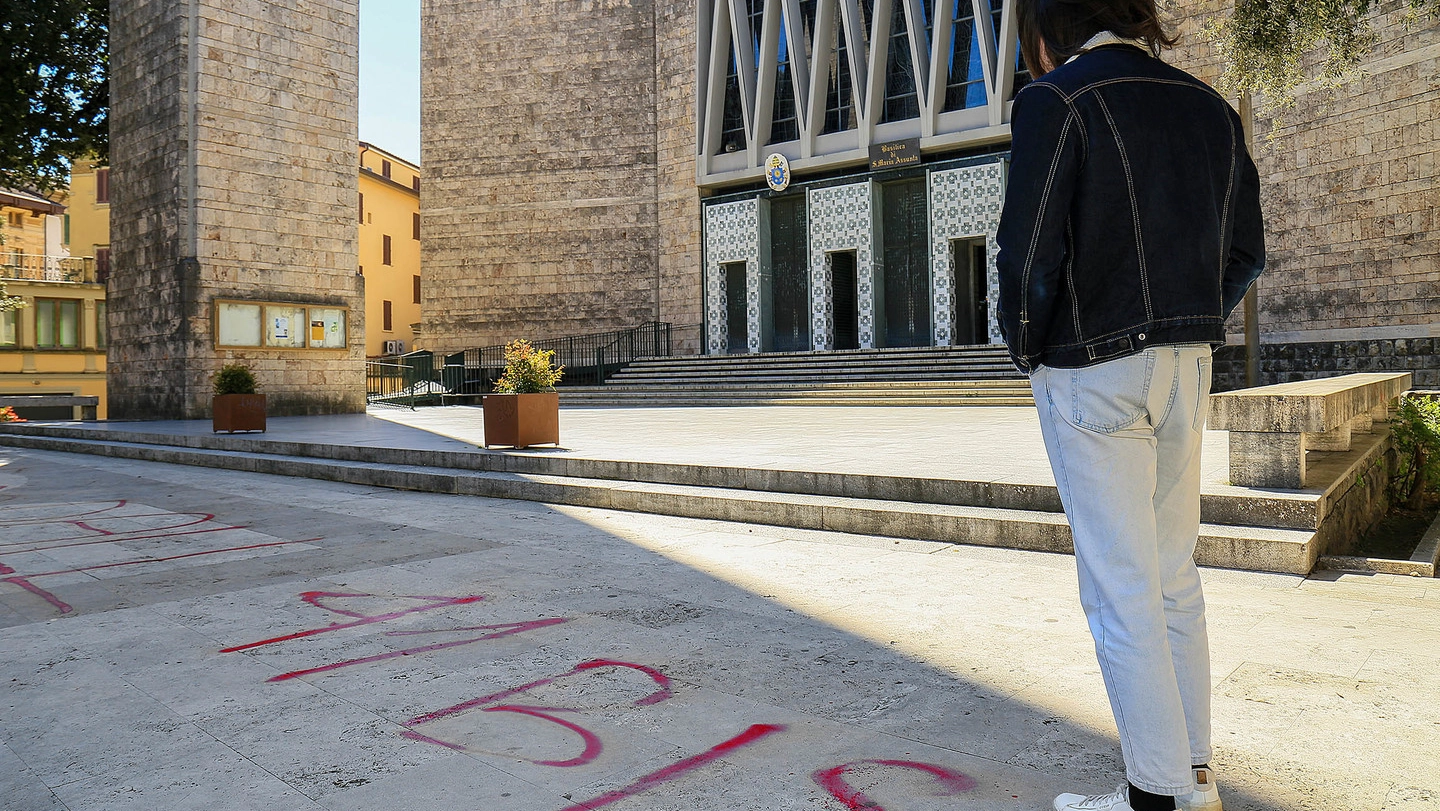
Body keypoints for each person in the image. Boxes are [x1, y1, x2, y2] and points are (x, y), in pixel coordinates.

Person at [994, 1, 1265, 810]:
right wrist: (1186, 320)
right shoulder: (1208, 106)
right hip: (1187, 361)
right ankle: (1194, 779)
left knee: (1120, 590)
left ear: (1046, 29)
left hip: (1091, 366)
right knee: (1173, 576)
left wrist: (1027, 347)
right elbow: (1248, 249)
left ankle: (1155, 795)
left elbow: (1027, 250)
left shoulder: (1056, 100)